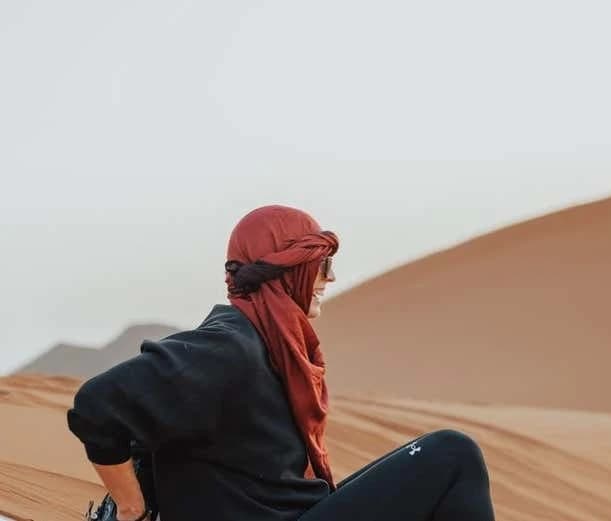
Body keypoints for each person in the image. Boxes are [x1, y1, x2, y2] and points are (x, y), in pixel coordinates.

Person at [67, 205, 495, 521]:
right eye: (322, 267)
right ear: (289, 273)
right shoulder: (228, 347)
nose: (330, 279)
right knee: (452, 454)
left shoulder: (267, 345)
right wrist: (131, 508)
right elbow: (96, 407)